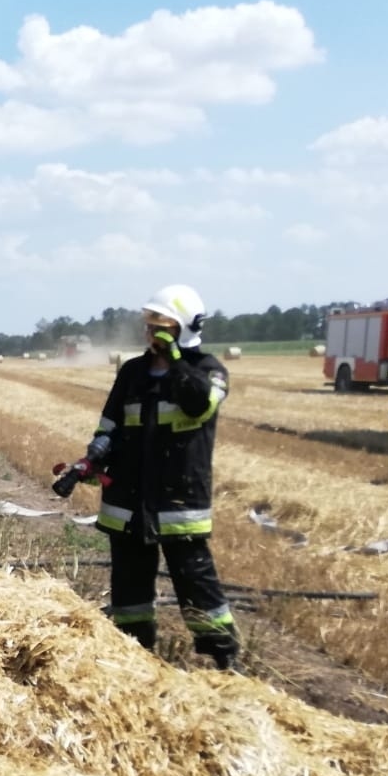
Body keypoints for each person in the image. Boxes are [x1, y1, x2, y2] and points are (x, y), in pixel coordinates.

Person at [59, 284, 240, 671]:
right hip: (126, 503)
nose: (151, 333)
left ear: (184, 328)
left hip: (178, 504)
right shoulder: (132, 372)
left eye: (161, 325)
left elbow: (197, 405)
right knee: (129, 588)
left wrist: (174, 360)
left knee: (196, 583)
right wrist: (91, 460)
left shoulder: (209, 371)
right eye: (149, 325)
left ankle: (223, 659)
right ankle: (136, 654)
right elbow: (109, 426)